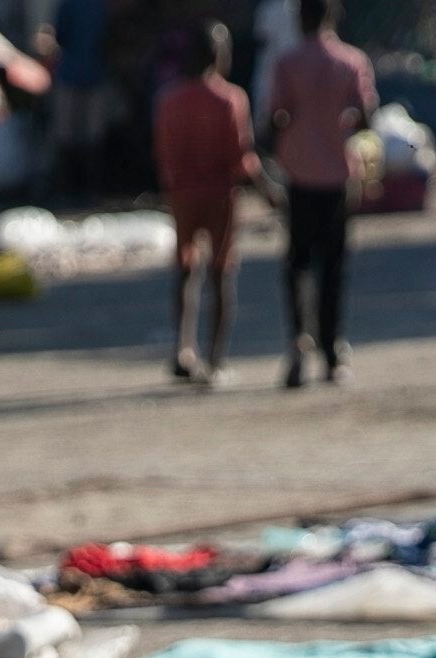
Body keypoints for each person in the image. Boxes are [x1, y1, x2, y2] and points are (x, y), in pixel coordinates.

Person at [263, 0, 371, 388]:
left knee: (297, 264)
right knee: (334, 265)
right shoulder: (352, 61)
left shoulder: (287, 62)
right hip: (338, 175)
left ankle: (297, 342)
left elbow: (277, 114)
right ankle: (332, 350)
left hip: (299, 175)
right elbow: (365, 114)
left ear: (299, 18)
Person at [153, 22, 254, 385]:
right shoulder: (230, 99)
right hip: (219, 195)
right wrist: (267, 187)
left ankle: (182, 349)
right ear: (218, 56)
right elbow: (240, 157)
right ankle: (215, 358)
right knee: (221, 273)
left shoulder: (169, 100)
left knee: (184, 270)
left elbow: (163, 152)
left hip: (182, 195)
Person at [45, 0, 114, 195]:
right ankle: (85, 188)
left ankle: (73, 188)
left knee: (72, 133)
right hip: (86, 73)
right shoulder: (95, 5)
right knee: (87, 134)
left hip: (80, 73)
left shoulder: (76, 5)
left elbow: (59, 35)